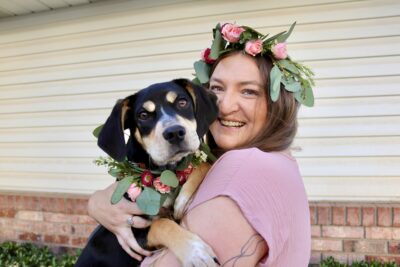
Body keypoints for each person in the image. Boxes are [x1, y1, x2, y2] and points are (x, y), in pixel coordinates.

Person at [88, 22, 313, 266]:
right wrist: (97, 203)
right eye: (216, 89)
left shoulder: (247, 165)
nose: (224, 106)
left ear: (277, 102)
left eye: (248, 91)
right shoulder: (278, 163)